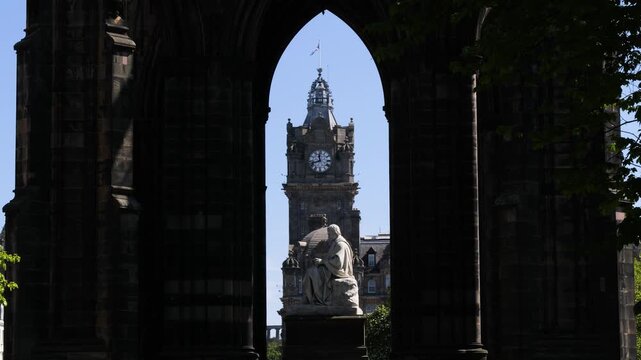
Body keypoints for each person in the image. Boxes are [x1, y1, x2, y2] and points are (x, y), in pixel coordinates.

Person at [303, 224, 355, 305]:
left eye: (329, 233)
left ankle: (318, 299)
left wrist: (322, 262)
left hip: (338, 272)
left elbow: (338, 262)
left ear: (335, 232)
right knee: (311, 272)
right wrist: (322, 262)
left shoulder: (340, 244)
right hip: (332, 269)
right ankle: (311, 299)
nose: (328, 235)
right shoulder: (336, 243)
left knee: (311, 273)